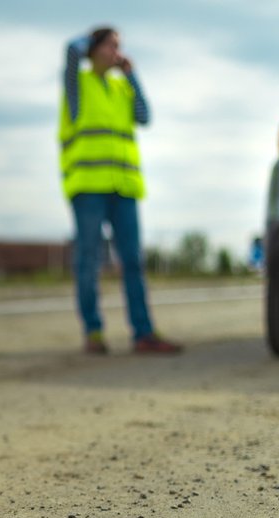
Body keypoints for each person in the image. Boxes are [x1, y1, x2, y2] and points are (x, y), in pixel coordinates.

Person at [59, 26, 182, 355]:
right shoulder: (78, 84)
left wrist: (132, 76)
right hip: (88, 187)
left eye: (119, 46)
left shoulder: (121, 86)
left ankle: (143, 333)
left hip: (124, 187)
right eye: (111, 45)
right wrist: (91, 41)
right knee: (89, 260)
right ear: (94, 48)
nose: (118, 52)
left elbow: (144, 117)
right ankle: (93, 332)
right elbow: (70, 51)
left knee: (133, 261)